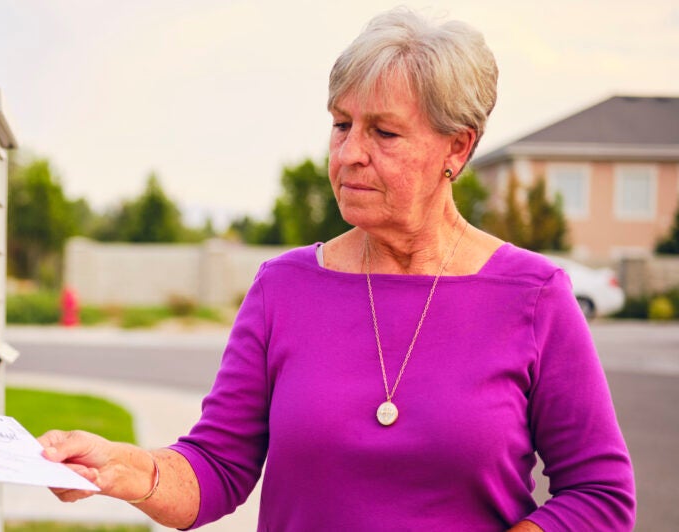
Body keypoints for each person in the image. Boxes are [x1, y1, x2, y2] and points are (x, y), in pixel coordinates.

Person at [38, 8, 636, 530]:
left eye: (384, 131)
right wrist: (126, 469)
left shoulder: (533, 295)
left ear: (456, 148)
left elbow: (600, 497)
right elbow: (217, 468)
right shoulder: (283, 287)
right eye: (341, 123)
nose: (350, 152)